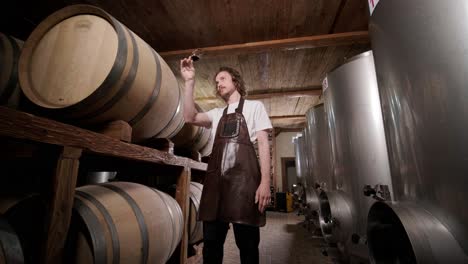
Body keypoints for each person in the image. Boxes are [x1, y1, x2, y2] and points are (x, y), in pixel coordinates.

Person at [180, 57, 272, 264]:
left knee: (248, 246)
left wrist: (265, 183)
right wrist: (189, 81)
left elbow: (265, 145)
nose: (218, 83)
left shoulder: (254, 107)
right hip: (216, 187)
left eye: (222, 78)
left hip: (245, 186)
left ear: (236, 82)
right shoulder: (216, 113)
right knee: (211, 246)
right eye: (215, 81)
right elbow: (189, 117)